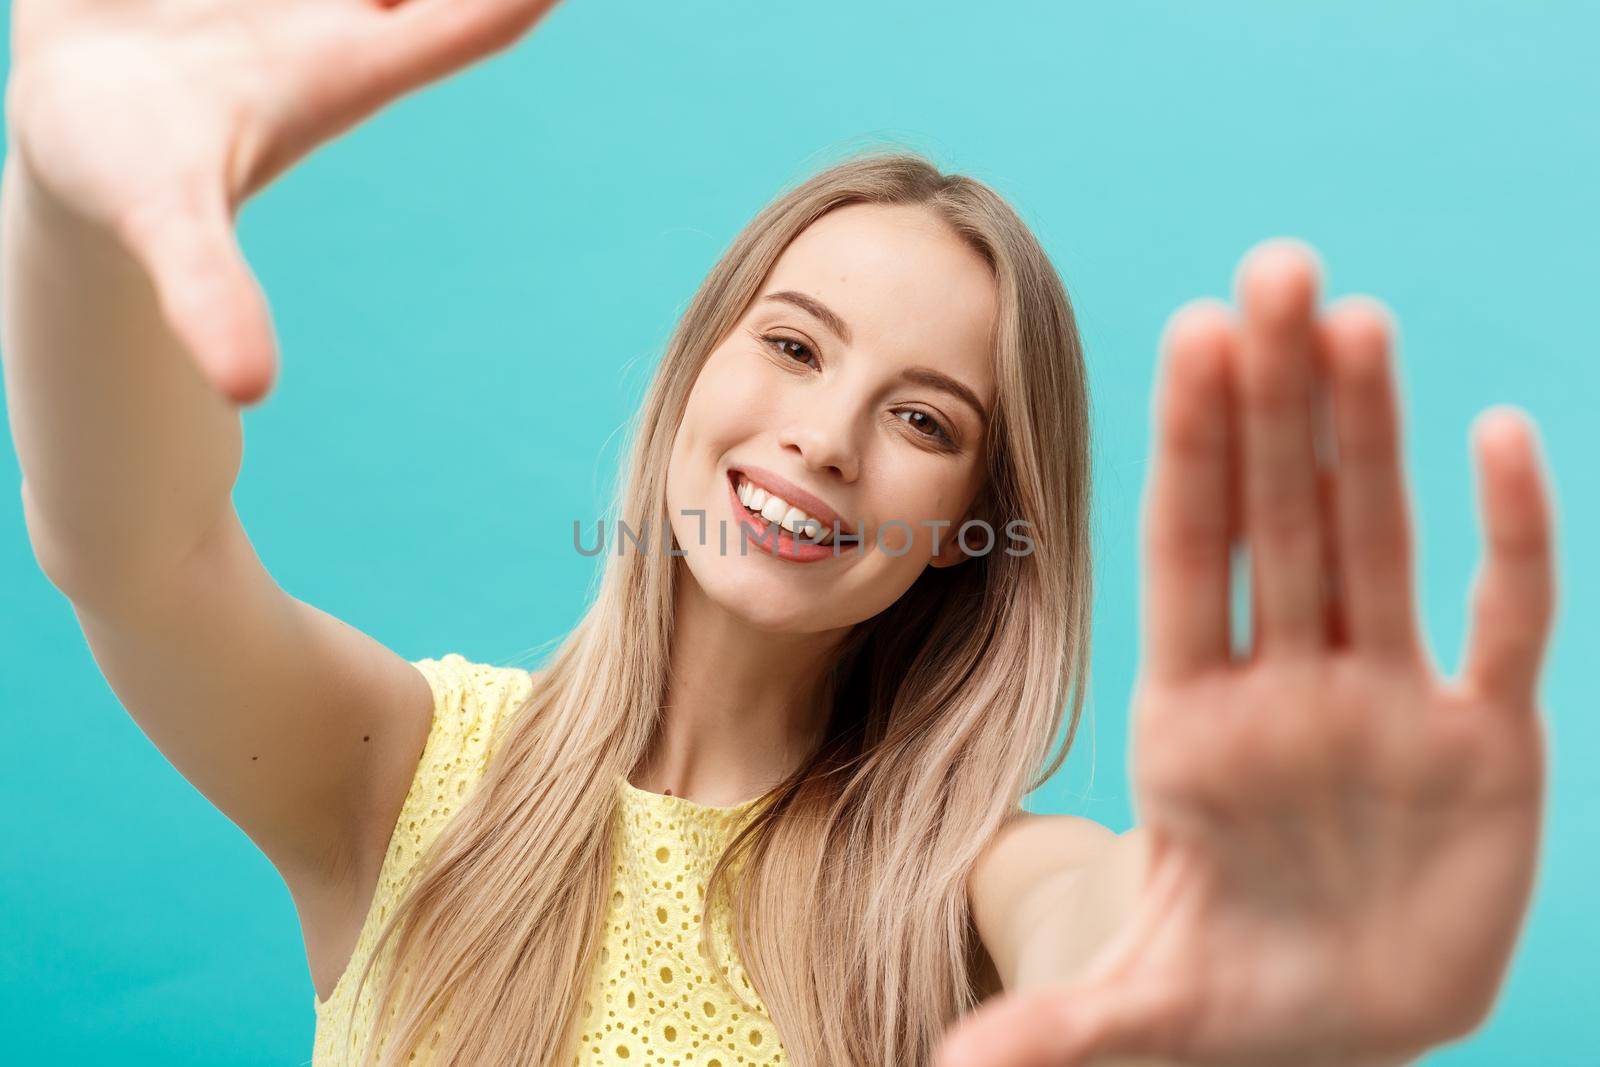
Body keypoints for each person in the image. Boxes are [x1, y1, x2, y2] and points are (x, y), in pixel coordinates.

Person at [0, 2, 1559, 1066]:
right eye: (796, 346)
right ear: (698, 365)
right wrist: (70, 211)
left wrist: (1234, 995)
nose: (823, 436)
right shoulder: (401, 777)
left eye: (927, 419)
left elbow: (1111, 935)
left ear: (976, 531)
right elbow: (140, 551)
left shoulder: (976, 891)